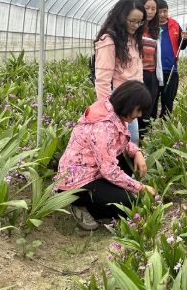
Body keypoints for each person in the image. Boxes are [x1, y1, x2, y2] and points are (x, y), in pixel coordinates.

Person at [56, 80, 156, 230]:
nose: (140, 114)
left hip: (94, 169)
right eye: (139, 109)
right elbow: (109, 170)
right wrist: (140, 187)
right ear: (129, 103)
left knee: (128, 163)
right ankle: (79, 204)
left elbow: (117, 142)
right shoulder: (103, 127)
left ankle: (101, 199)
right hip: (77, 181)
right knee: (127, 204)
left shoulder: (113, 111)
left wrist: (137, 152)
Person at [94, 0, 145, 145]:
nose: (136, 25)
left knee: (131, 139)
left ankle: (126, 167)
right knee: (125, 139)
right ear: (121, 17)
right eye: (132, 21)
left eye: (139, 22)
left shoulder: (133, 38)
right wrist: (107, 111)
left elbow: (137, 69)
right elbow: (102, 79)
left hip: (134, 97)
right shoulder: (109, 40)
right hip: (119, 97)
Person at [155, 0, 187, 118]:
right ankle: (149, 127)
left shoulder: (174, 25)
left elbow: (182, 47)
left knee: (168, 100)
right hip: (154, 70)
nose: (163, 14)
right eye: (160, 12)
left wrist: (184, 39)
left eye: (165, 11)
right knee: (153, 99)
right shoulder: (150, 26)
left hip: (171, 69)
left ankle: (165, 127)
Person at [137, 0, 163, 134]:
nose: (151, 12)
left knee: (149, 107)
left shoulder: (155, 31)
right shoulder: (134, 28)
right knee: (136, 107)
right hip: (137, 75)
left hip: (151, 75)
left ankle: (144, 137)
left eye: (154, 9)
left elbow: (156, 57)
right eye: (147, 8)